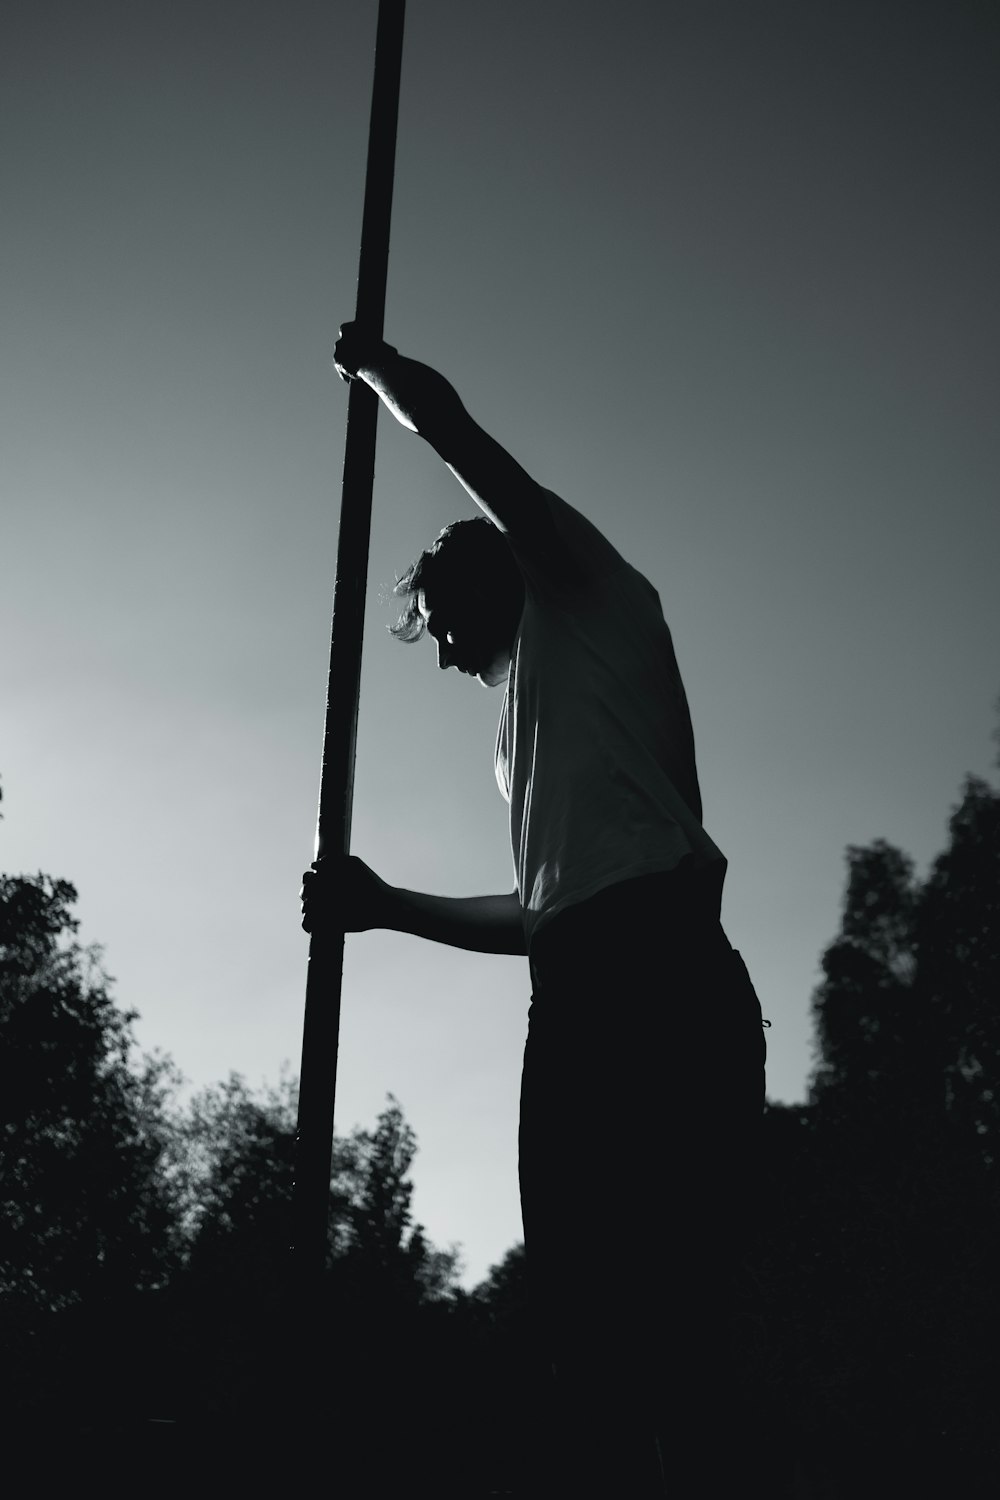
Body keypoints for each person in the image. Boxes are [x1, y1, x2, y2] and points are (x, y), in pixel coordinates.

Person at [301, 324, 767, 1494]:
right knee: (584, 1322)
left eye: (446, 630)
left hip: (661, 965)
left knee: (689, 1303)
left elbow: (465, 443)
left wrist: (381, 375)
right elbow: (541, 909)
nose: (451, 661)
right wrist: (385, 907)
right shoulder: (526, 745)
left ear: (484, 579)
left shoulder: (586, 591)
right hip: (569, 987)